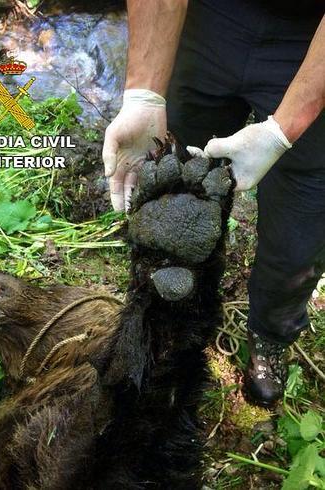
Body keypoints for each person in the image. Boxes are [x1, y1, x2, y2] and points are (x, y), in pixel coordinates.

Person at [102, 0, 325, 407]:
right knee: (175, 196)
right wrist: (145, 93)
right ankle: (169, 320)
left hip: (313, 38)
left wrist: (283, 129)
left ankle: (271, 335)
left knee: (299, 240)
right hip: (207, 19)